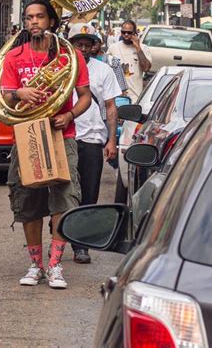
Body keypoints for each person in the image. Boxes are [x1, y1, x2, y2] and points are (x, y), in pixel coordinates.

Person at [0, 0, 92, 289]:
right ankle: (35, 264)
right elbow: (4, 97)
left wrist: (71, 116)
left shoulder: (69, 55)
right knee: (28, 201)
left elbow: (85, 96)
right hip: (27, 133)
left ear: (51, 21)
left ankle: (55, 266)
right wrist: (19, 94)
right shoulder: (14, 57)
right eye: (29, 18)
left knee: (63, 199)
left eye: (39, 17)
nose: (34, 22)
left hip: (60, 133)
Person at [67, 24, 121, 264]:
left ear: (93, 47)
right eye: (79, 44)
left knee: (89, 195)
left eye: (88, 44)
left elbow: (111, 107)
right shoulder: (60, 68)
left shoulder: (104, 71)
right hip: (65, 137)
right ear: (71, 45)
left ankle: (81, 245)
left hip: (91, 140)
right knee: (64, 193)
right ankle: (60, 236)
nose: (83, 48)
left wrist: (112, 140)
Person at [107, 20, 152, 102]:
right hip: (117, 97)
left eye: (129, 32)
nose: (126, 35)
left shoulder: (143, 48)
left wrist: (138, 48)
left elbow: (146, 68)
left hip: (135, 97)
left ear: (135, 33)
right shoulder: (113, 48)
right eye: (123, 32)